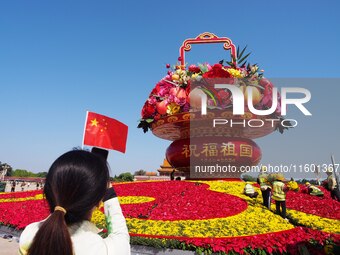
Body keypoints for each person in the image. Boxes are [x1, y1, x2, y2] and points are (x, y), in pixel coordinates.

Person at [19, 150, 130, 255]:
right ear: (98, 201)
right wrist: (109, 194)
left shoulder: (29, 234)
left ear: (49, 192)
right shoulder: (99, 248)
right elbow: (121, 237)